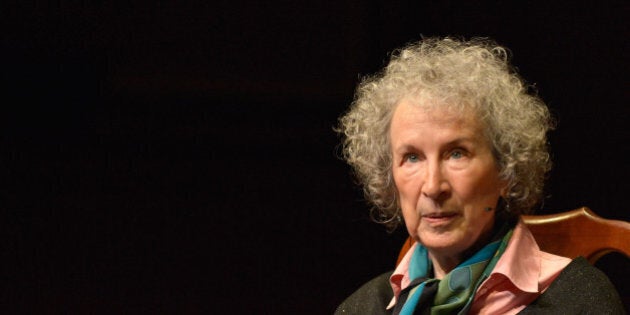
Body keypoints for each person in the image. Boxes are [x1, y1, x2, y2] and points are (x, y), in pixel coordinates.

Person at [334, 37, 624, 314]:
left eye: (456, 153)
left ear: (506, 170)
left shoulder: (578, 302)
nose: (433, 187)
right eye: (412, 157)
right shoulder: (364, 307)